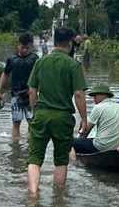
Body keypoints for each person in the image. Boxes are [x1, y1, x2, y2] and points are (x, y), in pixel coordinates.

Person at [26, 27, 88, 194]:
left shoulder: (41, 62)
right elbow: (79, 94)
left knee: (34, 158)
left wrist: (34, 112)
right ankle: (58, 201)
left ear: (54, 41)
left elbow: (32, 90)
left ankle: (32, 195)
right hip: (63, 117)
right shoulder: (73, 64)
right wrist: (84, 119)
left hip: (42, 114)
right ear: (69, 43)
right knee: (61, 161)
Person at [0, 31, 39, 138]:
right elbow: (5, 74)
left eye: (27, 48)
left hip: (31, 95)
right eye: (22, 47)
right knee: (16, 122)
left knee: (32, 122)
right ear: (17, 45)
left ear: (30, 47)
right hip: (16, 95)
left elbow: (40, 75)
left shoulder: (34, 59)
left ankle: (30, 144)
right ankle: (16, 148)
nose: (24, 50)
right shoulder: (12, 60)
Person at [70, 83, 119, 157]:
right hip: (116, 146)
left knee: (67, 143)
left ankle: (74, 163)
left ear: (104, 95)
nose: (94, 98)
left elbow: (86, 131)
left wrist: (79, 142)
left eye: (95, 95)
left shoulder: (98, 108)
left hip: (101, 146)